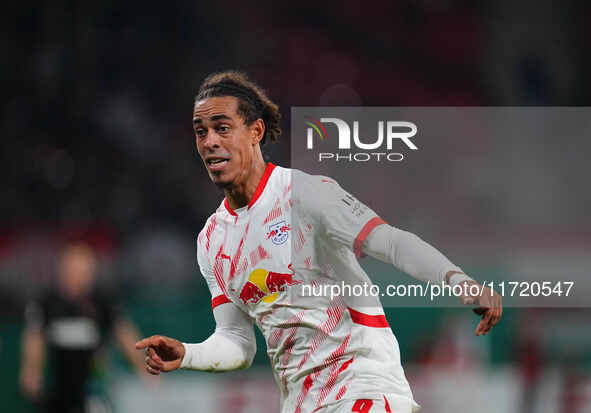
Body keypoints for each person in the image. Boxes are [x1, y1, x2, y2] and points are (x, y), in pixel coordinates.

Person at [136, 71, 502, 413]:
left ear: (255, 131)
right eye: (201, 132)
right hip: (301, 403)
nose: (210, 141)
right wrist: (187, 354)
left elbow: (389, 242)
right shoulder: (213, 240)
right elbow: (237, 341)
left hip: (364, 387)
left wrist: (459, 282)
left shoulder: (304, 195)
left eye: (222, 128)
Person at [20, 242, 150, 413]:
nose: (78, 277)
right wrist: (31, 369)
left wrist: (144, 367)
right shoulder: (46, 302)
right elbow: (34, 338)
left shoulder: (103, 302)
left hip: (93, 388)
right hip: (55, 390)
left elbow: (125, 334)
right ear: (62, 271)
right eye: (73, 271)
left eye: (83, 272)